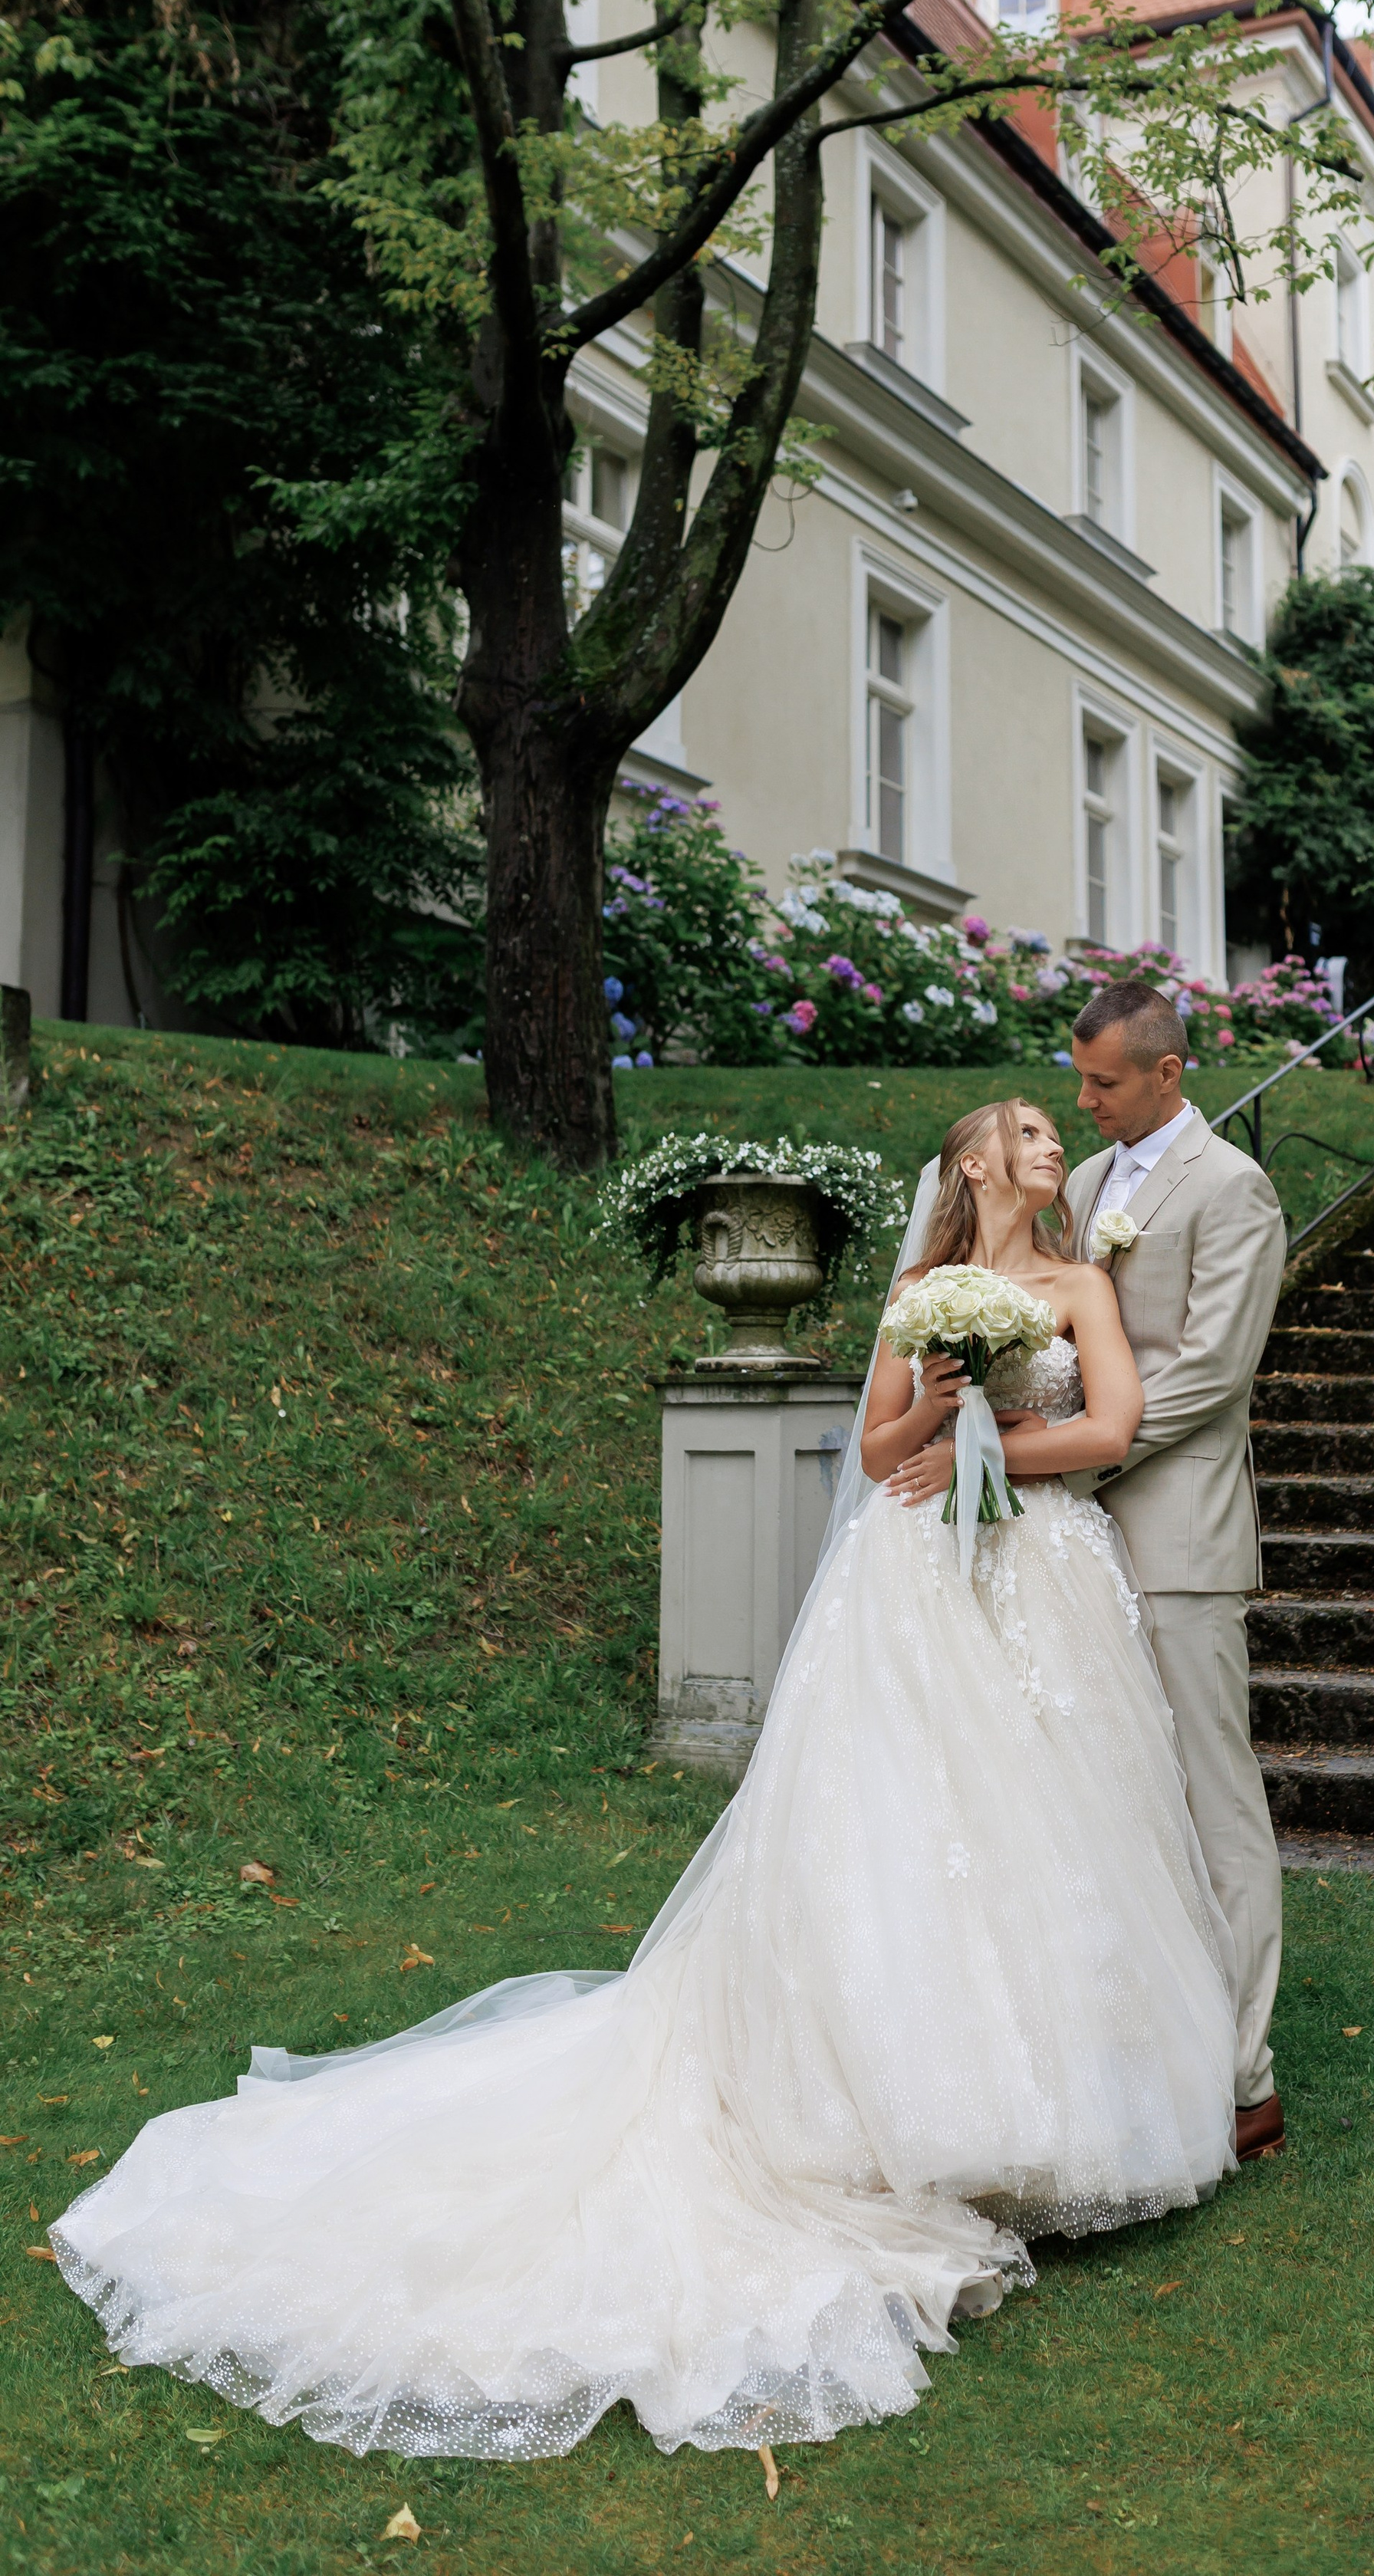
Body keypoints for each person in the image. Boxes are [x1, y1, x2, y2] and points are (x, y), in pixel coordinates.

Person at [51, 1100, 1237, 2463]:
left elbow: (1110, 1431)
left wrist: (984, 1453)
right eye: (1024, 1127)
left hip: (1042, 1570)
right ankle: (903, 2109)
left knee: (1054, 1835)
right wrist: (933, 1408)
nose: (1046, 1138)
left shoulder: (1081, 1283)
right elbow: (870, 1453)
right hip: (916, 1585)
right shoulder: (920, 1291)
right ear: (973, 1165)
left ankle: (1072, 2111)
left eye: (1050, 1124)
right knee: (911, 1833)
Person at [1074, 982, 1289, 2160]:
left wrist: (1086, 1454)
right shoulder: (1076, 1188)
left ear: (1168, 1072)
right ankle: (1139, 2040)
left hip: (1181, 1539)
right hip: (1074, 1542)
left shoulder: (1233, 1188)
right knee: (1111, 1795)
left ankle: (1246, 2076)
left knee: (1215, 1800)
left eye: (1105, 1082)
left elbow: (1214, 1373)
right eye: (1083, 1079)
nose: (1086, 1100)